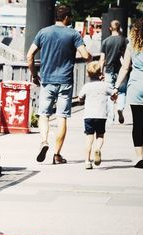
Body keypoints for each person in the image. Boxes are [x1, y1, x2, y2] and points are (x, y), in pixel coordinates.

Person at [26, 4, 92, 164]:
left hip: (47, 80)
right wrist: (89, 56)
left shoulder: (44, 32)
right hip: (65, 81)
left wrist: (35, 75)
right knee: (62, 117)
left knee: (43, 115)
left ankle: (44, 141)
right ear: (67, 17)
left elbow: (29, 56)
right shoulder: (73, 34)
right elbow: (85, 55)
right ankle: (57, 154)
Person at [113, 17, 143, 169]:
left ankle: (139, 158)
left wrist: (116, 87)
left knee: (138, 123)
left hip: (135, 86)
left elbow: (125, 68)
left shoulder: (131, 45)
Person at [78, 61, 116, 169]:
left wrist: (82, 100)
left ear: (87, 74)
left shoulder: (86, 86)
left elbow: (80, 97)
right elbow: (113, 94)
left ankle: (87, 161)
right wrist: (113, 98)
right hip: (101, 115)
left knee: (89, 138)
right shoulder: (105, 85)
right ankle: (98, 148)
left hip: (89, 116)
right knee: (100, 136)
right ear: (100, 72)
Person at [99, 20, 128, 124]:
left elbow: (102, 58)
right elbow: (126, 57)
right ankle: (120, 108)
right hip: (121, 70)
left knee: (109, 94)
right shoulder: (124, 40)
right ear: (120, 28)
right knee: (122, 92)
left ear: (110, 28)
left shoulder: (106, 41)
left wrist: (101, 71)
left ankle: (110, 118)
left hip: (109, 70)